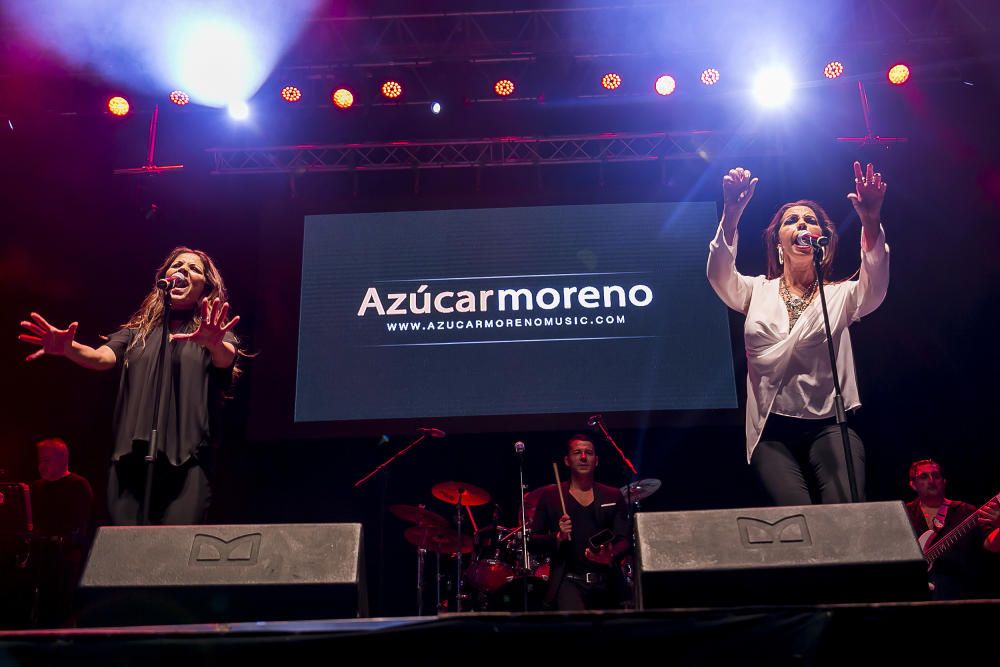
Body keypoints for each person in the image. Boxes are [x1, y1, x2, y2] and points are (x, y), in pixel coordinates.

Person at [707, 162, 889, 505]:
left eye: (810, 220)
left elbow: (876, 286)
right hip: (771, 429)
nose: (802, 223)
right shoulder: (755, 291)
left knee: (846, 518)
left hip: (830, 424)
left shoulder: (841, 295)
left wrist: (870, 219)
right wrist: (732, 213)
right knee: (800, 523)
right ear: (779, 242)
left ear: (824, 239)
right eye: (792, 221)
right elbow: (718, 274)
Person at [18, 247, 241, 525]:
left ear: (205, 287)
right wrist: (68, 348)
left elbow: (225, 359)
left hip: (188, 463)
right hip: (129, 461)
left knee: (171, 553)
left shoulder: (212, 332)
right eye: (177, 265)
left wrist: (214, 343)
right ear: (165, 278)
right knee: (124, 555)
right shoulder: (137, 333)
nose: (183, 270)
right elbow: (100, 357)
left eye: (193, 268)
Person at [529, 434, 629, 611]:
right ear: (567, 460)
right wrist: (558, 537)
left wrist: (610, 555)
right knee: (578, 633)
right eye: (577, 452)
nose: (583, 457)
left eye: (588, 453)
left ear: (596, 460)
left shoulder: (613, 495)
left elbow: (625, 539)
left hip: (607, 582)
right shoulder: (550, 496)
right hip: (569, 582)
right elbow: (533, 542)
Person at [904, 459, 1000, 600]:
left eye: (936, 475)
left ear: (944, 481)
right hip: (913, 597)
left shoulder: (966, 511)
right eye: (924, 476)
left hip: (959, 595)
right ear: (913, 484)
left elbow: (992, 546)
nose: (931, 480)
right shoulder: (903, 514)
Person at [28, 438, 93, 626]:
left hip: (65, 558)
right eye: (40, 460)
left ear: (63, 459)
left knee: (60, 607)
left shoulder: (78, 485)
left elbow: (76, 524)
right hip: (40, 556)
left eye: (47, 460)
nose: (41, 465)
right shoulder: (35, 488)